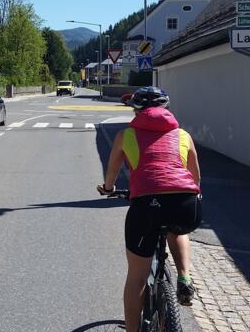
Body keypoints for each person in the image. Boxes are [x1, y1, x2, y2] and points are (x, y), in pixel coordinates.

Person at [97, 86, 202, 332]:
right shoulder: (183, 135)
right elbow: (195, 176)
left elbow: (112, 172)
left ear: (137, 110)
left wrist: (108, 188)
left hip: (147, 204)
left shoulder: (126, 135)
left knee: (137, 277)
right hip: (186, 202)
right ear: (166, 109)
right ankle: (184, 277)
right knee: (178, 229)